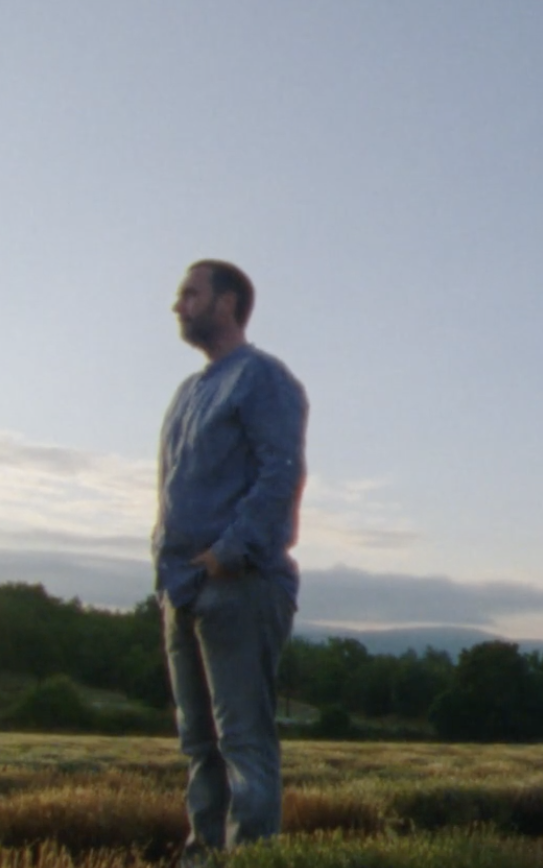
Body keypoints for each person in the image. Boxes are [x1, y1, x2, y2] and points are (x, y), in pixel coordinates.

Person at [154, 259, 308, 859]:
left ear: (227, 303)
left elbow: (280, 473)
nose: (178, 305)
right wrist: (167, 568)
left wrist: (229, 553)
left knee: (243, 745)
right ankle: (203, 856)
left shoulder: (261, 377)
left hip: (238, 585)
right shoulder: (189, 391)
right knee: (199, 747)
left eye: (190, 294)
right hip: (182, 588)